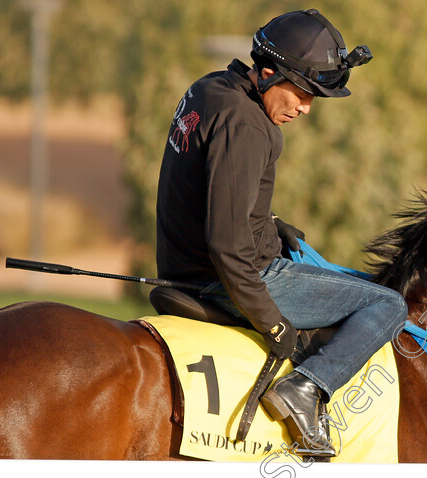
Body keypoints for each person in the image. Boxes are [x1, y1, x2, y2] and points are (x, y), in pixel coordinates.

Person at [155, 9, 408, 457]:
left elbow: (208, 193)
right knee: (387, 302)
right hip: (226, 279)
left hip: (186, 263)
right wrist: (272, 324)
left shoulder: (210, 89)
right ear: (268, 72)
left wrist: (269, 224)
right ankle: (306, 389)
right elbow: (227, 248)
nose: (305, 108)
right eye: (303, 92)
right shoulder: (249, 125)